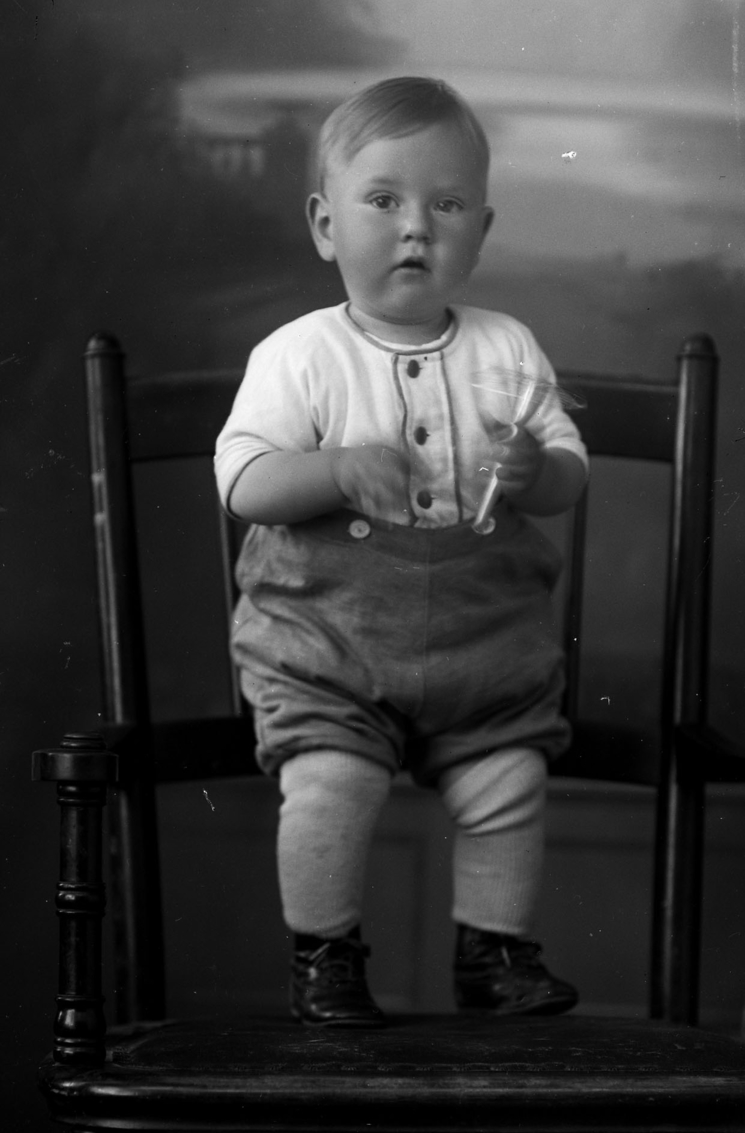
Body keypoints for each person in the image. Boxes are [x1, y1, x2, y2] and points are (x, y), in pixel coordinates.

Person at [214, 76, 588, 1028]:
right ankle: (325, 954)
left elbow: (566, 478)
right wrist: (333, 469)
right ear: (324, 225)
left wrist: (535, 464)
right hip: (331, 646)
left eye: (446, 205)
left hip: (481, 649)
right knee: (330, 783)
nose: (415, 226)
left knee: (509, 780)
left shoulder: (508, 349)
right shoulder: (300, 355)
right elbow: (244, 482)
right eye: (382, 201)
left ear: (481, 230)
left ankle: (492, 953)